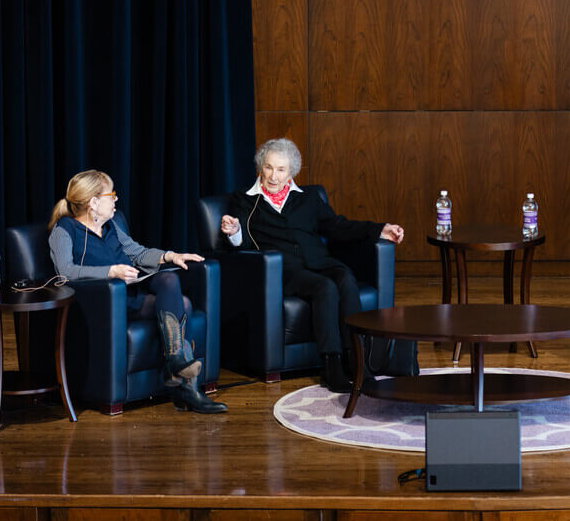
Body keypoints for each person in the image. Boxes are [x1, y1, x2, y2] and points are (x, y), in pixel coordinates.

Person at [220, 138, 405, 394]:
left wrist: (379, 229)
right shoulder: (245, 201)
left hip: (320, 261)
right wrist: (233, 231)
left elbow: (337, 226)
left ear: (291, 172)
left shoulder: (308, 198)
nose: (274, 176)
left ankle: (356, 359)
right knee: (325, 288)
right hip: (284, 271)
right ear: (261, 167)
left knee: (345, 277)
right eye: (269, 168)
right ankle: (331, 367)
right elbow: (239, 243)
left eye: (281, 170)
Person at [48, 170, 227, 414]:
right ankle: (185, 387)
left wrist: (171, 255)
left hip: (131, 296)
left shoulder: (111, 226)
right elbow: (65, 272)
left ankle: (178, 369)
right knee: (183, 304)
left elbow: (138, 253)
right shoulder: (64, 229)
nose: (116, 199)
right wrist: (111, 272)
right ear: (93, 202)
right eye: (111, 194)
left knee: (170, 283)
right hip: (103, 305)